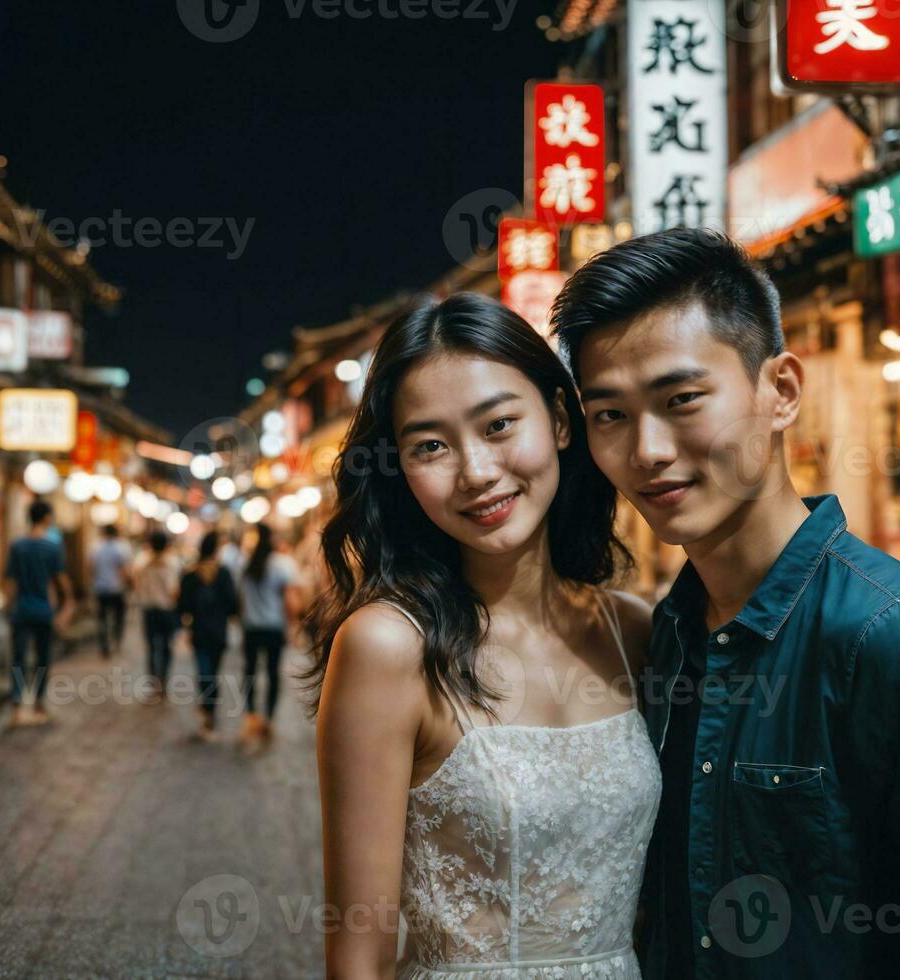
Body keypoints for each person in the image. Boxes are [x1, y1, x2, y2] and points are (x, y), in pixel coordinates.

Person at [550, 228, 900, 980]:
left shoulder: (894, 640)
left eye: (682, 400)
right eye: (610, 415)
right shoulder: (666, 633)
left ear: (782, 391)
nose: (646, 451)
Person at [309, 293, 658, 977]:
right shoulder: (387, 647)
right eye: (430, 446)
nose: (475, 471)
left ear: (560, 420)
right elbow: (360, 952)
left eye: (499, 425)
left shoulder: (633, 631)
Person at [5, 500, 72, 726]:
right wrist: (66, 607)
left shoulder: (17, 546)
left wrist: (8, 607)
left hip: (21, 609)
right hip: (44, 610)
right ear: (46, 518)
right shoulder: (52, 547)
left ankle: (16, 704)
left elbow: (11, 582)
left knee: (18, 658)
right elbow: (61, 581)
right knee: (43, 658)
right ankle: (39, 703)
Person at [235, 523, 298, 746]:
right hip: (273, 628)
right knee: (272, 673)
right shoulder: (282, 565)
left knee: (249, 670)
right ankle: (269, 718)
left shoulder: (246, 563)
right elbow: (290, 601)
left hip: (251, 627)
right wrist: (293, 626)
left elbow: (241, 599)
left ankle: (251, 715)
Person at [177, 530, 238, 740]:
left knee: (204, 672)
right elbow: (232, 604)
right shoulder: (224, 573)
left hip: (199, 630)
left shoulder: (190, 573)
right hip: (219, 630)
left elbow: (183, 605)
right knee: (213, 671)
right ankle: (209, 711)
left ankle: (207, 709)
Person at [133, 530, 178, 699]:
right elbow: (173, 590)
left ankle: (153, 683)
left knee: (152, 647)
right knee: (166, 647)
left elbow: (135, 584)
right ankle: (163, 681)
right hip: (166, 610)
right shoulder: (171, 563)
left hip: (148, 610)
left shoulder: (141, 561)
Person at [89, 524, 132, 659]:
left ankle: (104, 646)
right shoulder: (121, 548)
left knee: (102, 618)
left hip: (101, 587)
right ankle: (117, 641)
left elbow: (91, 568)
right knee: (118, 617)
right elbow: (124, 569)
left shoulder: (96, 548)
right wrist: (129, 584)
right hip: (117, 588)